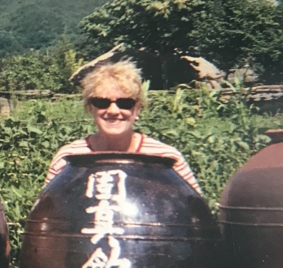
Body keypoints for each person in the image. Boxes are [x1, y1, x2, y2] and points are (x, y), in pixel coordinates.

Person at [44, 60, 201, 193]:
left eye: (125, 103)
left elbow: (195, 214)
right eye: (102, 102)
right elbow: (46, 213)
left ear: (137, 108)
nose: (113, 111)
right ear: (90, 108)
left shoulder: (166, 158)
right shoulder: (68, 158)